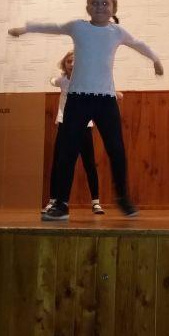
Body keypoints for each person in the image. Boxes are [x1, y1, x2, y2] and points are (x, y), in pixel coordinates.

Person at [8, 0, 163, 220]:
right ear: (88, 7)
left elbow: (138, 43)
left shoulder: (117, 32)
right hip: (78, 98)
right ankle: (60, 203)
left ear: (113, 9)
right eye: (95, 3)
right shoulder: (78, 27)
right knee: (67, 151)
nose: (99, 7)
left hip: (105, 99)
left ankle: (123, 198)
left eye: (105, 3)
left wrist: (155, 60)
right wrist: (26, 29)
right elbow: (53, 27)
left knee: (116, 149)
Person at [45, 50, 105, 215]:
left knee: (89, 163)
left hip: (84, 126)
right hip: (64, 124)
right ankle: (53, 201)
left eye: (75, 61)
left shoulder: (87, 80)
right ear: (64, 65)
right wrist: (51, 79)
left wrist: (115, 94)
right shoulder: (62, 80)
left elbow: (102, 88)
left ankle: (96, 202)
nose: (72, 64)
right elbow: (52, 81)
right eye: (68, 61)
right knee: (59, 163)